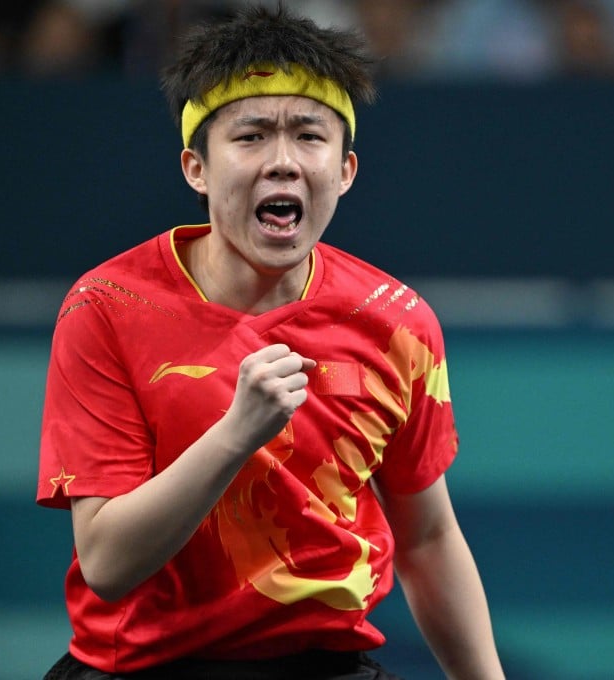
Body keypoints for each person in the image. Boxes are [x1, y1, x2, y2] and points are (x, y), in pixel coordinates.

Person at [36, 5, 506, 679]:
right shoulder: (107, 308)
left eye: (308, 136)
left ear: (344, 171)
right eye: (251, 136)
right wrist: (236, 434)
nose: (282, 161)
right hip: (142, 668)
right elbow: (107, 564)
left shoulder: (395, 321)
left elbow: (428, 538)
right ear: (197, 168)